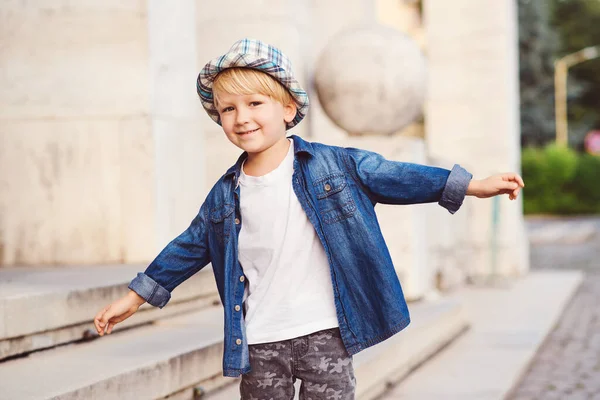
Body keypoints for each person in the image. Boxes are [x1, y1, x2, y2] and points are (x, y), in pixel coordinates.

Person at [94, 38, 524, 399]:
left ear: (286, 108)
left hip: (327, 332)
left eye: (254, 103)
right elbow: (189, 246)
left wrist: (471, 184)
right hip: (259, 341)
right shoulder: (227, 194)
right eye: (227, 110)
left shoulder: (334, 166)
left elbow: (398, 176)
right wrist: (135, 297)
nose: (241, 117)